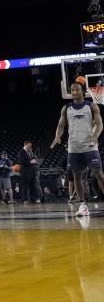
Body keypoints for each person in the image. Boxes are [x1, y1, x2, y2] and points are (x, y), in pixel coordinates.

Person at [51, 82, 104, 217]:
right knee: (76, 176)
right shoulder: (66, 108)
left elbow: (99, 124)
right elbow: (61, 125)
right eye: (72, 90)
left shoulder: (91, 106)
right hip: (74, 148)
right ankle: (82, 205)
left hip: (90, 146)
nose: (74, 92)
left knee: (99, 173)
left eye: (77, 90)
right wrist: (58, 136)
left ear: (83, 91)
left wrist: (96, 135)